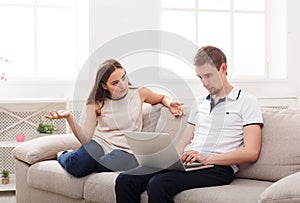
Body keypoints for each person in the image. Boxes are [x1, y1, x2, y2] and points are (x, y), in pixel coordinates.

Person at [115, 46, 263, 203]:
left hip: (218, 168)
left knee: (159, 184)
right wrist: (170, 159)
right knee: (126, 179)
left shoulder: (246, 101)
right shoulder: (199, 103)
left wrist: (207, 158)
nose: (204, 83)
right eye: (200, 77)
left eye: (208, 76)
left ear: (223, 68)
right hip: (190, 164)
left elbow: (251, 152)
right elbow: (184, 141)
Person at [44, 59, 183, 177]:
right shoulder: (96, 103)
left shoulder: (140, 93)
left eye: (123, 77)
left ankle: (88, 159)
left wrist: (170, 103)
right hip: (100, 143)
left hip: (127, 150)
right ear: (104, 86)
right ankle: (63, 154)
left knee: (105, 164)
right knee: (77, 167)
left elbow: (162, 98)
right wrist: (69, 117)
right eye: (115, 83)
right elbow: (86, 138)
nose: (122, 85)